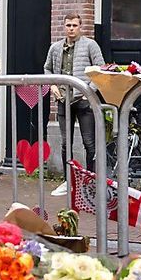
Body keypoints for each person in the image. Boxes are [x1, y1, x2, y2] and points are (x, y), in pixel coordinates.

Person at [44, 11, 104, 196]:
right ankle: (68, 181)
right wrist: (52, 84)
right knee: (65, 143)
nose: (71, 29)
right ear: (64, 26)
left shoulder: (90, 45)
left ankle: (92, 182)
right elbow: (47, 68)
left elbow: (101, 69)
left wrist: (89, 91)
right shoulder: (55, 48)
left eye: (74, 25)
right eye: (68, 25)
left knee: (89, 143)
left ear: (80, 27)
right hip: (63, 100)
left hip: (83, 100)